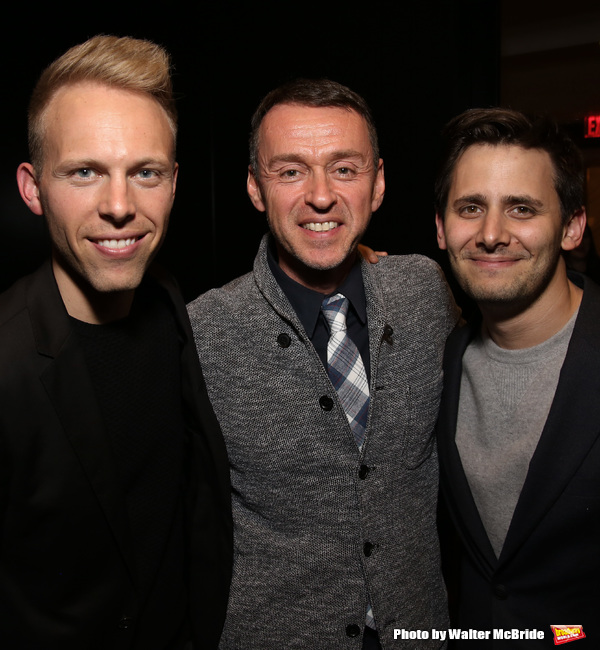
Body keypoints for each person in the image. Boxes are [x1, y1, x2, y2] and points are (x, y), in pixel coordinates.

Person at [188, 78, 459, 649]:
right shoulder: (202, 333)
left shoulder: (426, 292)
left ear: (378, 183)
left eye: (344, 168)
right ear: (255, 188)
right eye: (290, 171)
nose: (320, 195)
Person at [0, 35, 232, 649]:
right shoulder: (7, 362)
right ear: (32, 188)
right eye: (85, 172)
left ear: (175, 184)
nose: (121, 207)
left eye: (146, 173)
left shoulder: (169, 303)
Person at [434, 108, 598, 647]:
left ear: (572, 226)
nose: (491, 234)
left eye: (521, 208)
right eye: (470, 208)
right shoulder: (440, 360)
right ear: (441, 227)